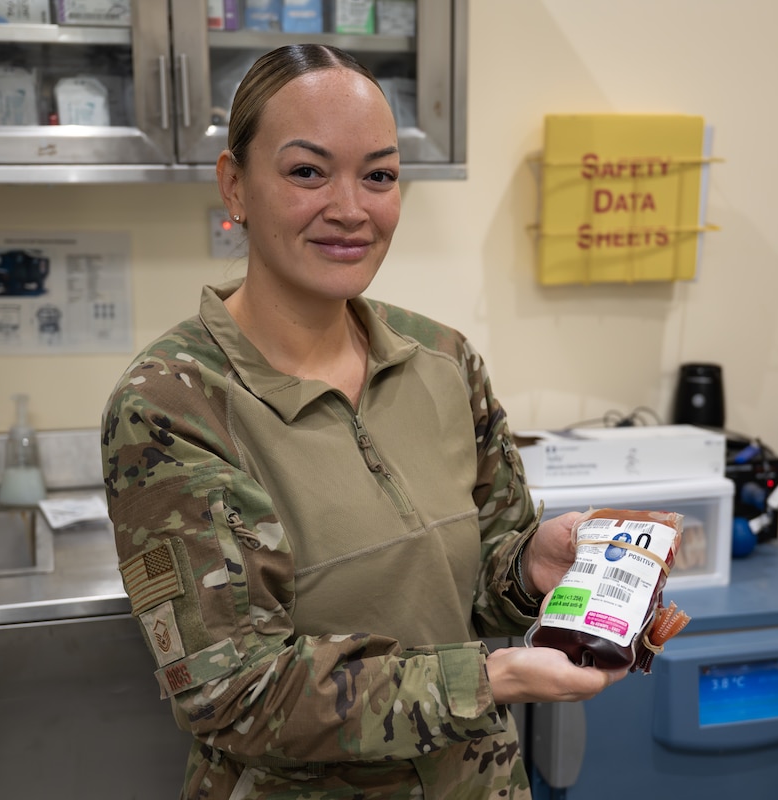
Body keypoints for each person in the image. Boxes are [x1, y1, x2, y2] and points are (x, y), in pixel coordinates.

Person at [100, 44, 625, 800]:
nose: (351, 209)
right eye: (307, 172)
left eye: (378, 175)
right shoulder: (172, 404)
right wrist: (493, 676)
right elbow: (233, 690)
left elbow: (476, 582)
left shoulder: (442, 360)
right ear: (235, 185)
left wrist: (530, 566)